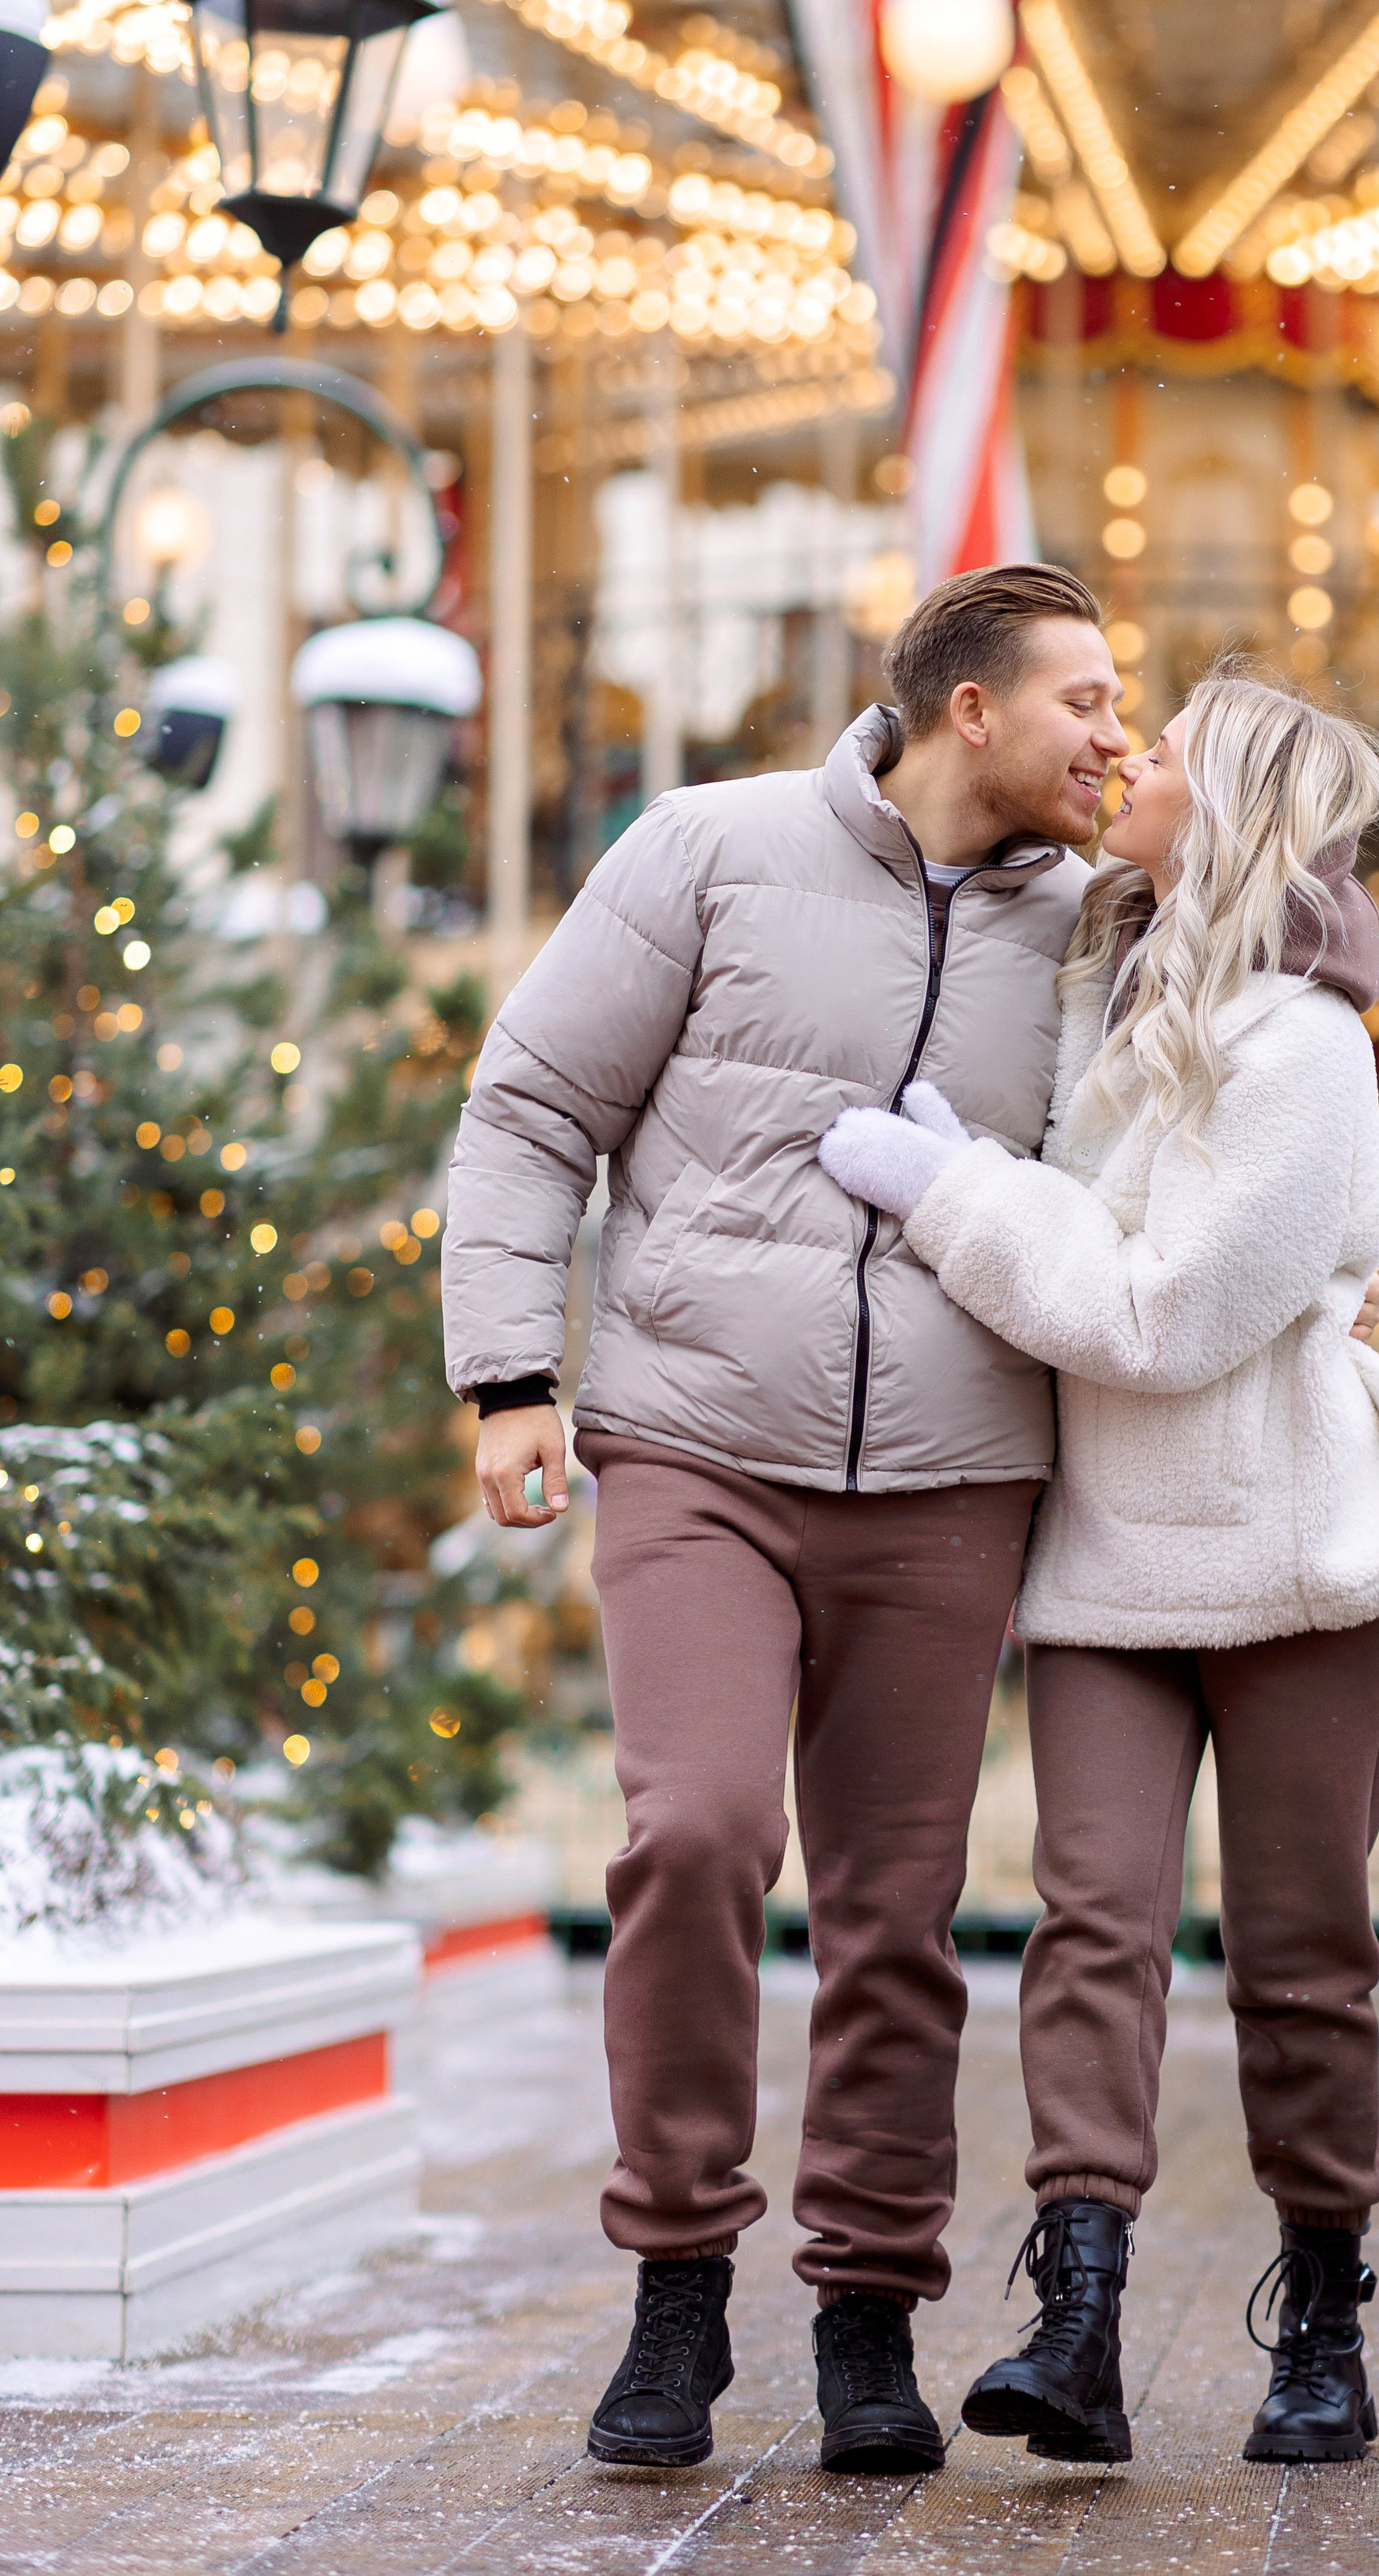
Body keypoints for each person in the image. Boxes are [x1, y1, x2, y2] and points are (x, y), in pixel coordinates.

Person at [439, 566, 1133, 2477]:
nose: (1112, 729)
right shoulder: (710, 850)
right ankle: (674, 2281)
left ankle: (863, 2313)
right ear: (967, 709)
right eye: (1082, 695)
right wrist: (512, 1373)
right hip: (695, 1447)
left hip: (949, 1478)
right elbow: (527, 1110)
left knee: (899, 1915)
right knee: (694, 1832)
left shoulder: (1092, 929)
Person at [819, 669, 1379, 2469]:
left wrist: (947, 1192)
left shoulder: (1300, 1049)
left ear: (1239, 805)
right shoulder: (1099, 988)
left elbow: (1161, 1309)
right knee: (1089, 1926)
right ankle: (1081, 2312)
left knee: (1297, 1954)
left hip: (1291, 1556)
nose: (1127, 760)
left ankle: (1323, 2315)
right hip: (1109, 1557)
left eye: (1167, 750)